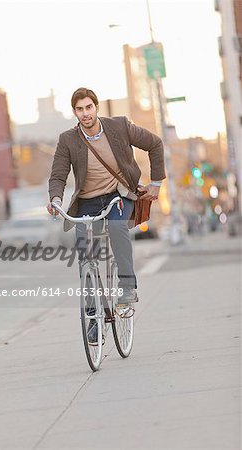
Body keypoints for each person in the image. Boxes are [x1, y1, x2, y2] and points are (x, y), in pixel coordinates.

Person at [47, 87, 166, 306]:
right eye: (80, 109)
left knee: (116, 226)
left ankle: (128, 287)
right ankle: (93, 313)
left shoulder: (119, 126)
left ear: (96, 107)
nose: (85, 113)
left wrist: (156, 183)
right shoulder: (68, 140)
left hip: (118, 195)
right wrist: (55, 199)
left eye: (89, 107)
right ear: (75, 112)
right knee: (85, 253)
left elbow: (155, 144)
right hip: (87, 202)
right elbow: (58, 176)